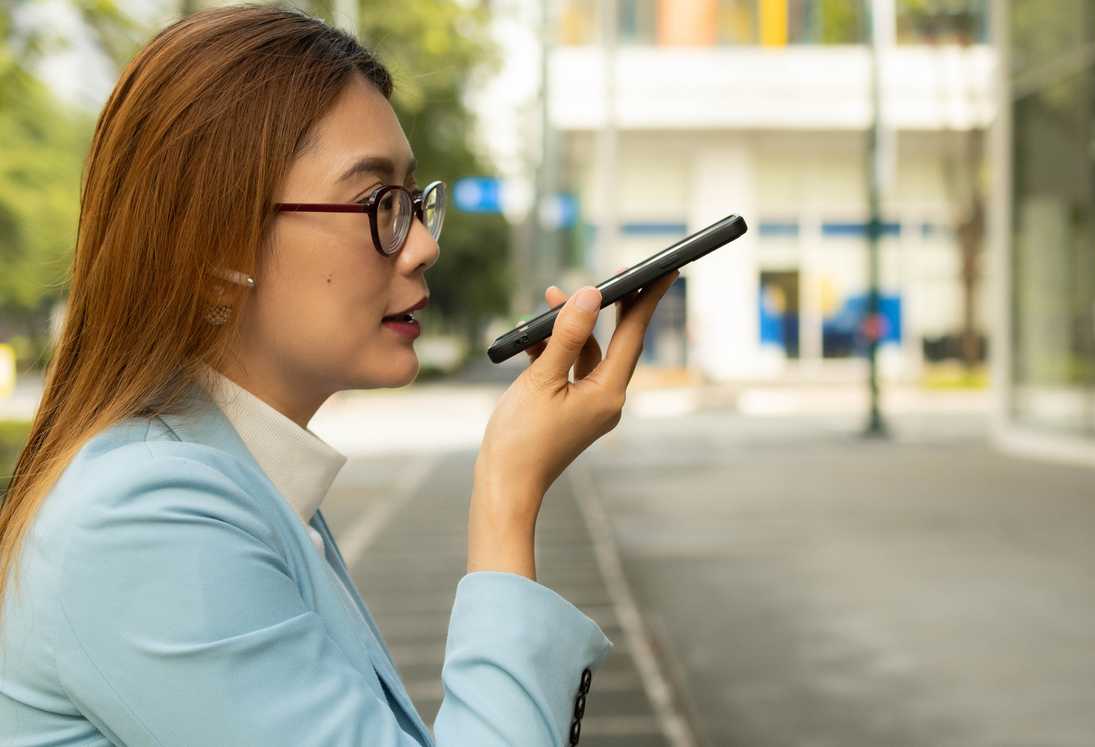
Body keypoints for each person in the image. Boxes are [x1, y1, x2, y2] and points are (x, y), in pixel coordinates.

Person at [0, 5, 678, 746]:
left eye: (417, 202)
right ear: (220, 249)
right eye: (378, 203)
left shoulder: (234, 479)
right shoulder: (141, 521)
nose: (421, 245)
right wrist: (507, 492)